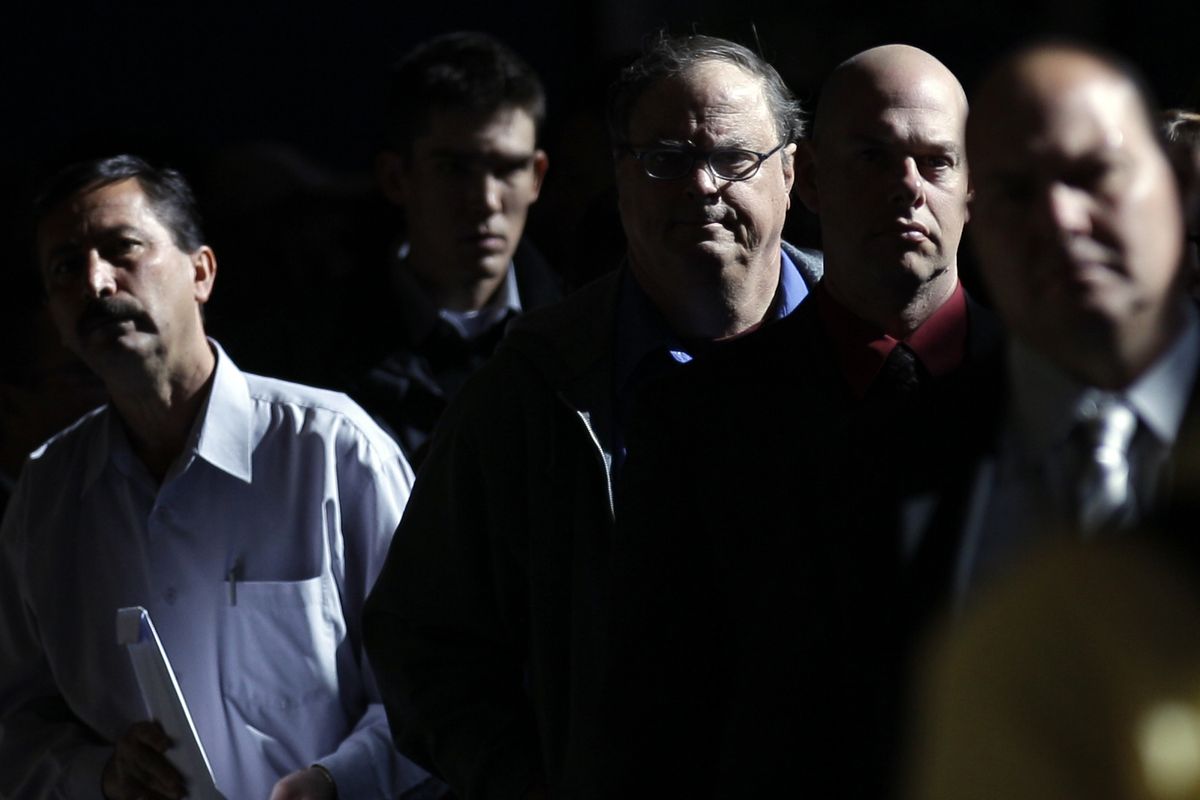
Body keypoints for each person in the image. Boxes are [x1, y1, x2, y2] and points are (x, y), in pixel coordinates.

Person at [362, 33, 822, 800]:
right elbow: (423, 645)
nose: (703, 187)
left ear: (791, 171)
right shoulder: (533, 388)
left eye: (735, 158)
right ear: (619, 179)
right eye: (666, 161)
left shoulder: (874, 350)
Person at [606, 44, 997, 799]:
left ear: (972, 181)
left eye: (936, 161)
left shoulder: (1062, 404)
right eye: (874, 157)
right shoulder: (695, 421)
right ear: (809, 178)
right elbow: (654, 716)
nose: (908, 188)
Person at [0, 155, 436, 800]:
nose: (96, 281)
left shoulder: (331, 451)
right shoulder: (47, 498)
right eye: (66, 267)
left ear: (200, 272)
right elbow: (15, 725)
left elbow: (433, 685)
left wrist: (334, 782)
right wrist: (99, 775)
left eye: (122, 249)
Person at [926, 43, 1198, 602]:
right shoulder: (874, 475)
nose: (1059, 220)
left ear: (1176, 186)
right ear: (975, 225)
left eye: (1093, 174)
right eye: (1016, 193)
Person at [341, 31, 561, 461]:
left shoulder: (593, 342)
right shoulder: (309, 356)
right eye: (454, 169)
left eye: (508, 168)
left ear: (536, 176)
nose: (485, 200)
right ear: (395, 178)